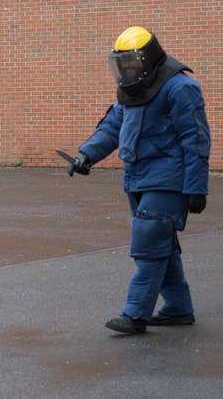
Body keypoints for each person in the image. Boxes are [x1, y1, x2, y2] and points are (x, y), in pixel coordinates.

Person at [66, 26, 210, 334]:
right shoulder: (131, 90)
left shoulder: (180, 87)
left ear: (150, 59)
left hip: (167, 179)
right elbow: (112, 127)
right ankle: (178, 309)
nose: (127, 68)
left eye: (132, 62)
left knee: (148, 245)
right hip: (137, 178)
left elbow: (195, 138)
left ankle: (135, 314)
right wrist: (85, 155)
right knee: (161, 245)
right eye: (123, 63)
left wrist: (197, 187)